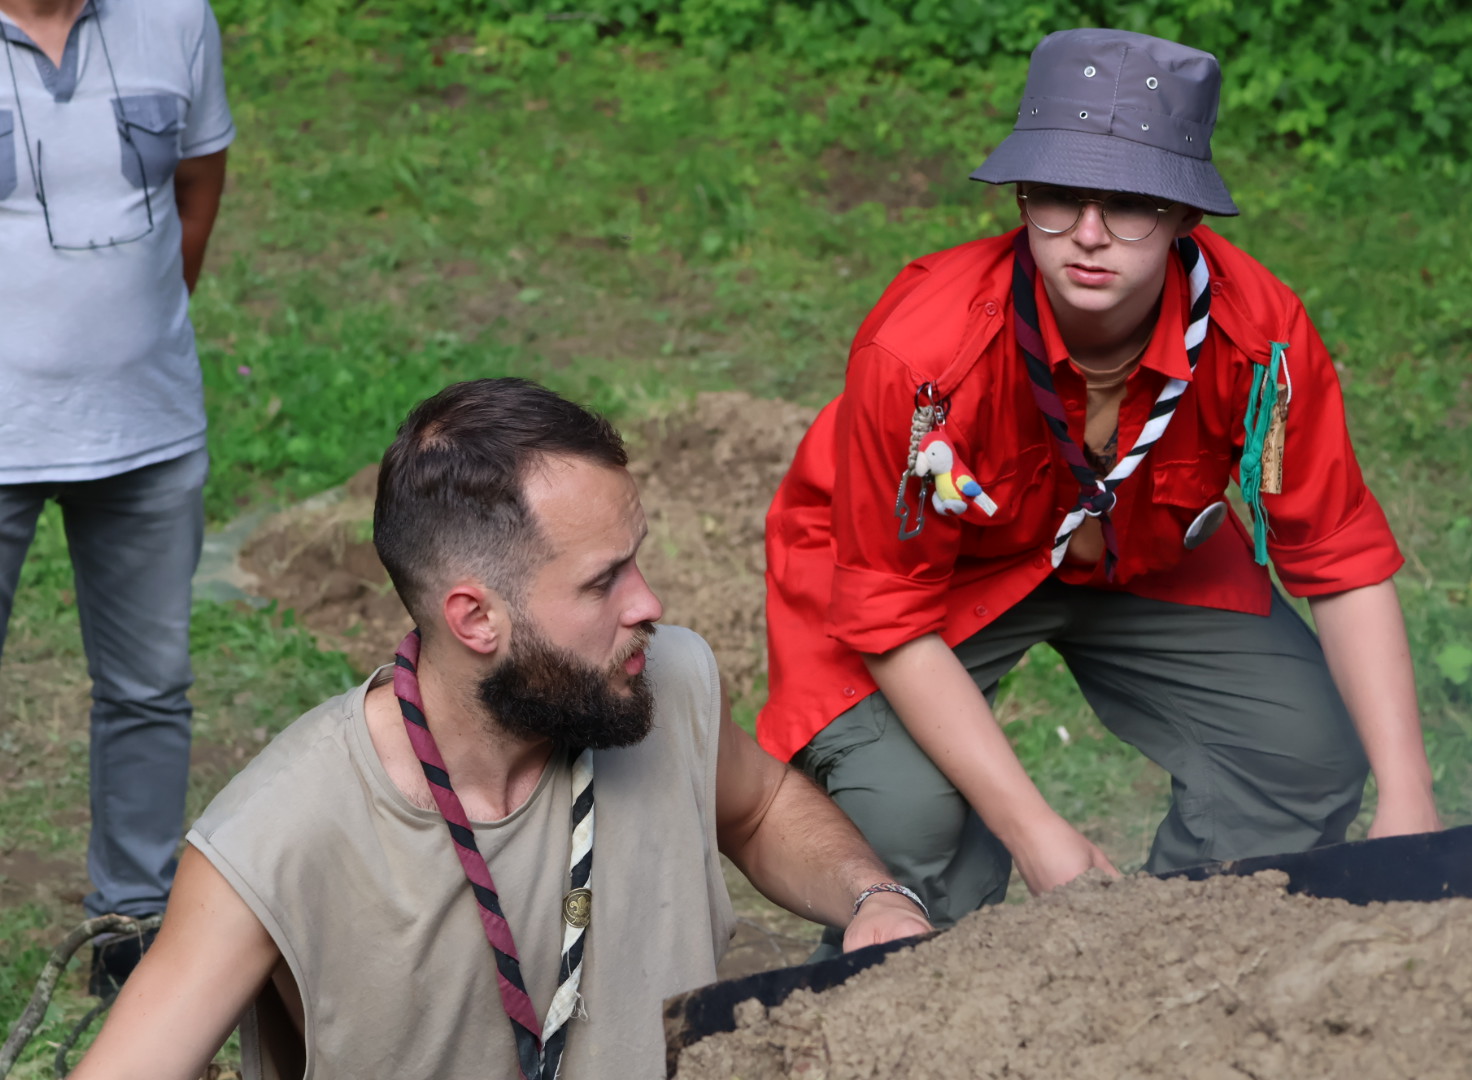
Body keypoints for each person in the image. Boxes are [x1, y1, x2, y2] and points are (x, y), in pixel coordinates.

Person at [759, 27, 1444, 950]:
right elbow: (889, 611)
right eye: (1058, 198)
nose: (1089, 234)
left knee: (1301, 750)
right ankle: (923, 997)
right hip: (929, 581)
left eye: (1130, 203)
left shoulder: (1259, 336)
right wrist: (1036, 831)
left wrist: (1409, 798)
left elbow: (1340, 557)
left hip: (1142, 557)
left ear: (1185, 213)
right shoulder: (922, 352)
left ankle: (1179, 959)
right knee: (916, 822)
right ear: (1022, 197)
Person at [69, 378, 933, 1080]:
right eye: (602, 582)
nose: (649, 603)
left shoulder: (664, 681)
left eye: (636, 558)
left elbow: (758, 806)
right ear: (476, 618)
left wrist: (873, 896)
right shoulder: (277, 839)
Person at [0, 0, 232, 994]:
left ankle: (130, 933)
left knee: (149, 692)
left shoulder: (175, 17)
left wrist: (123, 343)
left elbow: (197, 186)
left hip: (146, 430)